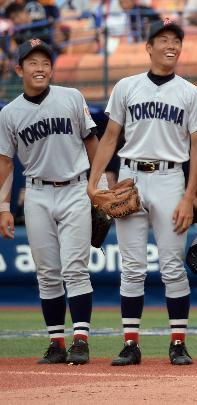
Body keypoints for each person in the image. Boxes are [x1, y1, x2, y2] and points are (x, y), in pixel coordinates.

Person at [87, 17, 197, 367]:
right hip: (130, 177)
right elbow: (110, 137)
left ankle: (178, 342)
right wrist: (93, 182)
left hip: (171, 178)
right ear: (149, 46)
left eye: (176, 40)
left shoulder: (190, 92)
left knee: (172, 266)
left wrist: (189, 197)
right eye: (164, 39)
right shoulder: (127, 86)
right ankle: (130, 343)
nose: (171, 45)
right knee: (132, 267)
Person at [0, 39, 97, 365]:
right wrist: (3, 208)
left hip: (76, 189)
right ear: (19, 69)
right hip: (38, 192)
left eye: (45, 62)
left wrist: (100, 186)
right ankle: (56, 342)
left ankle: (80, 339)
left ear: (51, 68)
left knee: (75, 269)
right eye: (32, 63)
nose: (40, 68)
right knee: (47, 273)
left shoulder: (71, 97)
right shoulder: (9, 113)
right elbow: (6, 165)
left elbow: (91, 141)